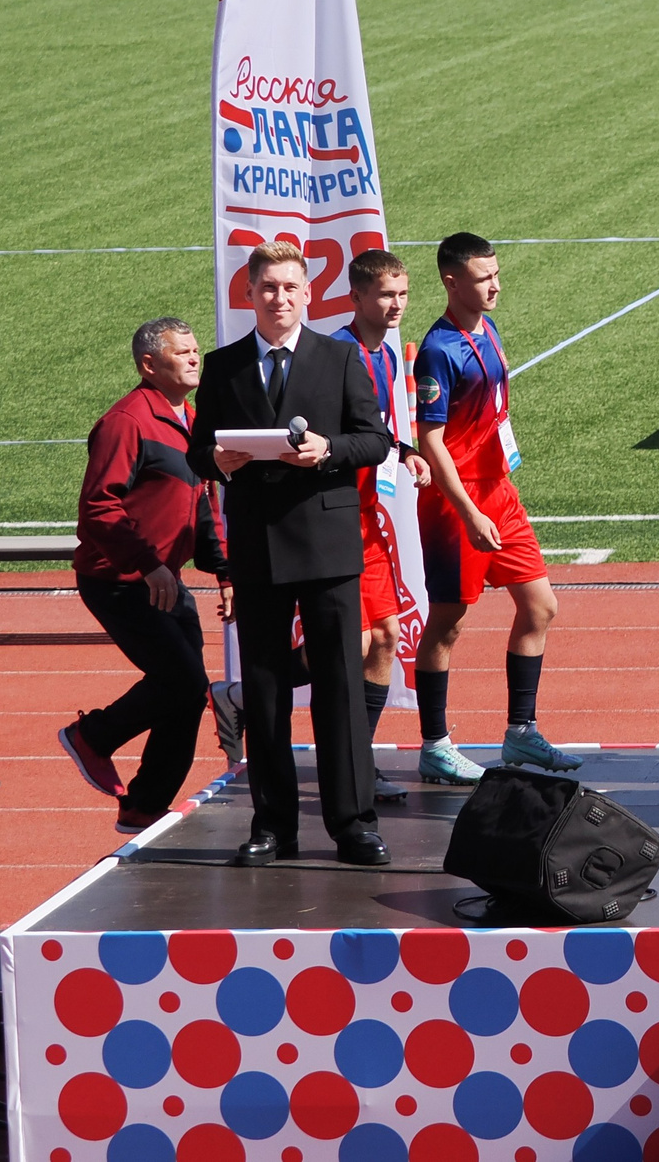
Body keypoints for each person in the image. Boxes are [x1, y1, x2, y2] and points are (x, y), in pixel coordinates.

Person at [189, 242, 393, 868]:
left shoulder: (338, 358)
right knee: (269, 693)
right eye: (267, 288)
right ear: (248, 296)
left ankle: (354, 823)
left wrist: (328, 450)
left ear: (308, 294)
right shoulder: (222, 369)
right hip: (258, 549)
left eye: (289, 288)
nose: (279, 298)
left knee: (338, 686)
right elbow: (198, 452)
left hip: (328, 546)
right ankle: (273, 824)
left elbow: (376, 440)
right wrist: (215, 462)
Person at [413, 232, 576, 781]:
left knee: (540, 607)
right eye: (484, 278)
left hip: (499, 492)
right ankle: (434, 744)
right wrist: (467, 511)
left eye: (497, 274)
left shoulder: (488, 327)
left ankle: (521, 734)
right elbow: (431, 441)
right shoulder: (438, 348)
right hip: (457, 502)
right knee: (448, 622)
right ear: (451, 281)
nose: (496, 286)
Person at [62, 318, 229, 834]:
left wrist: (224, 571)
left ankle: (144, 806)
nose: (195, 358)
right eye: (183, 352)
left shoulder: (193, 419)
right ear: (149, 365)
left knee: (186, 691)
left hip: (162, 579)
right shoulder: (126, 422)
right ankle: (93, 737)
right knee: (184, 681)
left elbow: (202, 505)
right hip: (118, 580)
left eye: (196, 350)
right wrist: (148, 564)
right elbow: (98, 508)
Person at [333, 249, 429, 805]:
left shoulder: (389, 356)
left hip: (370, 516)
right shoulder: (338, 355)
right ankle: (248, 697)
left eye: (402, 294)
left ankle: (357, 761)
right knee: (356, 640)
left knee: (385, 637)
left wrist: (405, 450)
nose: (396, 305)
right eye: (385, 295)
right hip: (339, 518)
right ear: (358, 298)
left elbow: (376, 428)